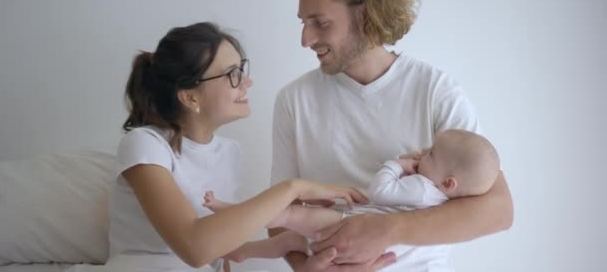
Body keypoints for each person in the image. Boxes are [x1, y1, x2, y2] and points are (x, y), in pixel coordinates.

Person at [269, 0, 514, 271]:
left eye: (320, 22)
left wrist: (385, 229)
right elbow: (275, 213)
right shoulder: (293, 100)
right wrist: (303, 267)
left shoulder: (436, 91)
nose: (305, 39)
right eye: (303, 22)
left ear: (365, 14)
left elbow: (498, 211)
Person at [66, 22, 367, 272]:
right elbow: (195, 248)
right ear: (190, 97)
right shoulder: (145, 145)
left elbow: (216, 254)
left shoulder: (229, 153)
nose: (246, 82)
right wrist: (292, 189)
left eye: (242, 69)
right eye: (232, 74)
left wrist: (272, 247)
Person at [204, 129, 500, 271]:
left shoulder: (423, 187)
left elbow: (380, 191)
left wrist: (396, 164)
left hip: (348, 226)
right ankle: (244, 251)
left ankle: (233, 212)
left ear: (448, 182)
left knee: (289, 215)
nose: (423, 152)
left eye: (431, 154)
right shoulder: (441, 200)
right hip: (356, 239)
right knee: (288, 241)